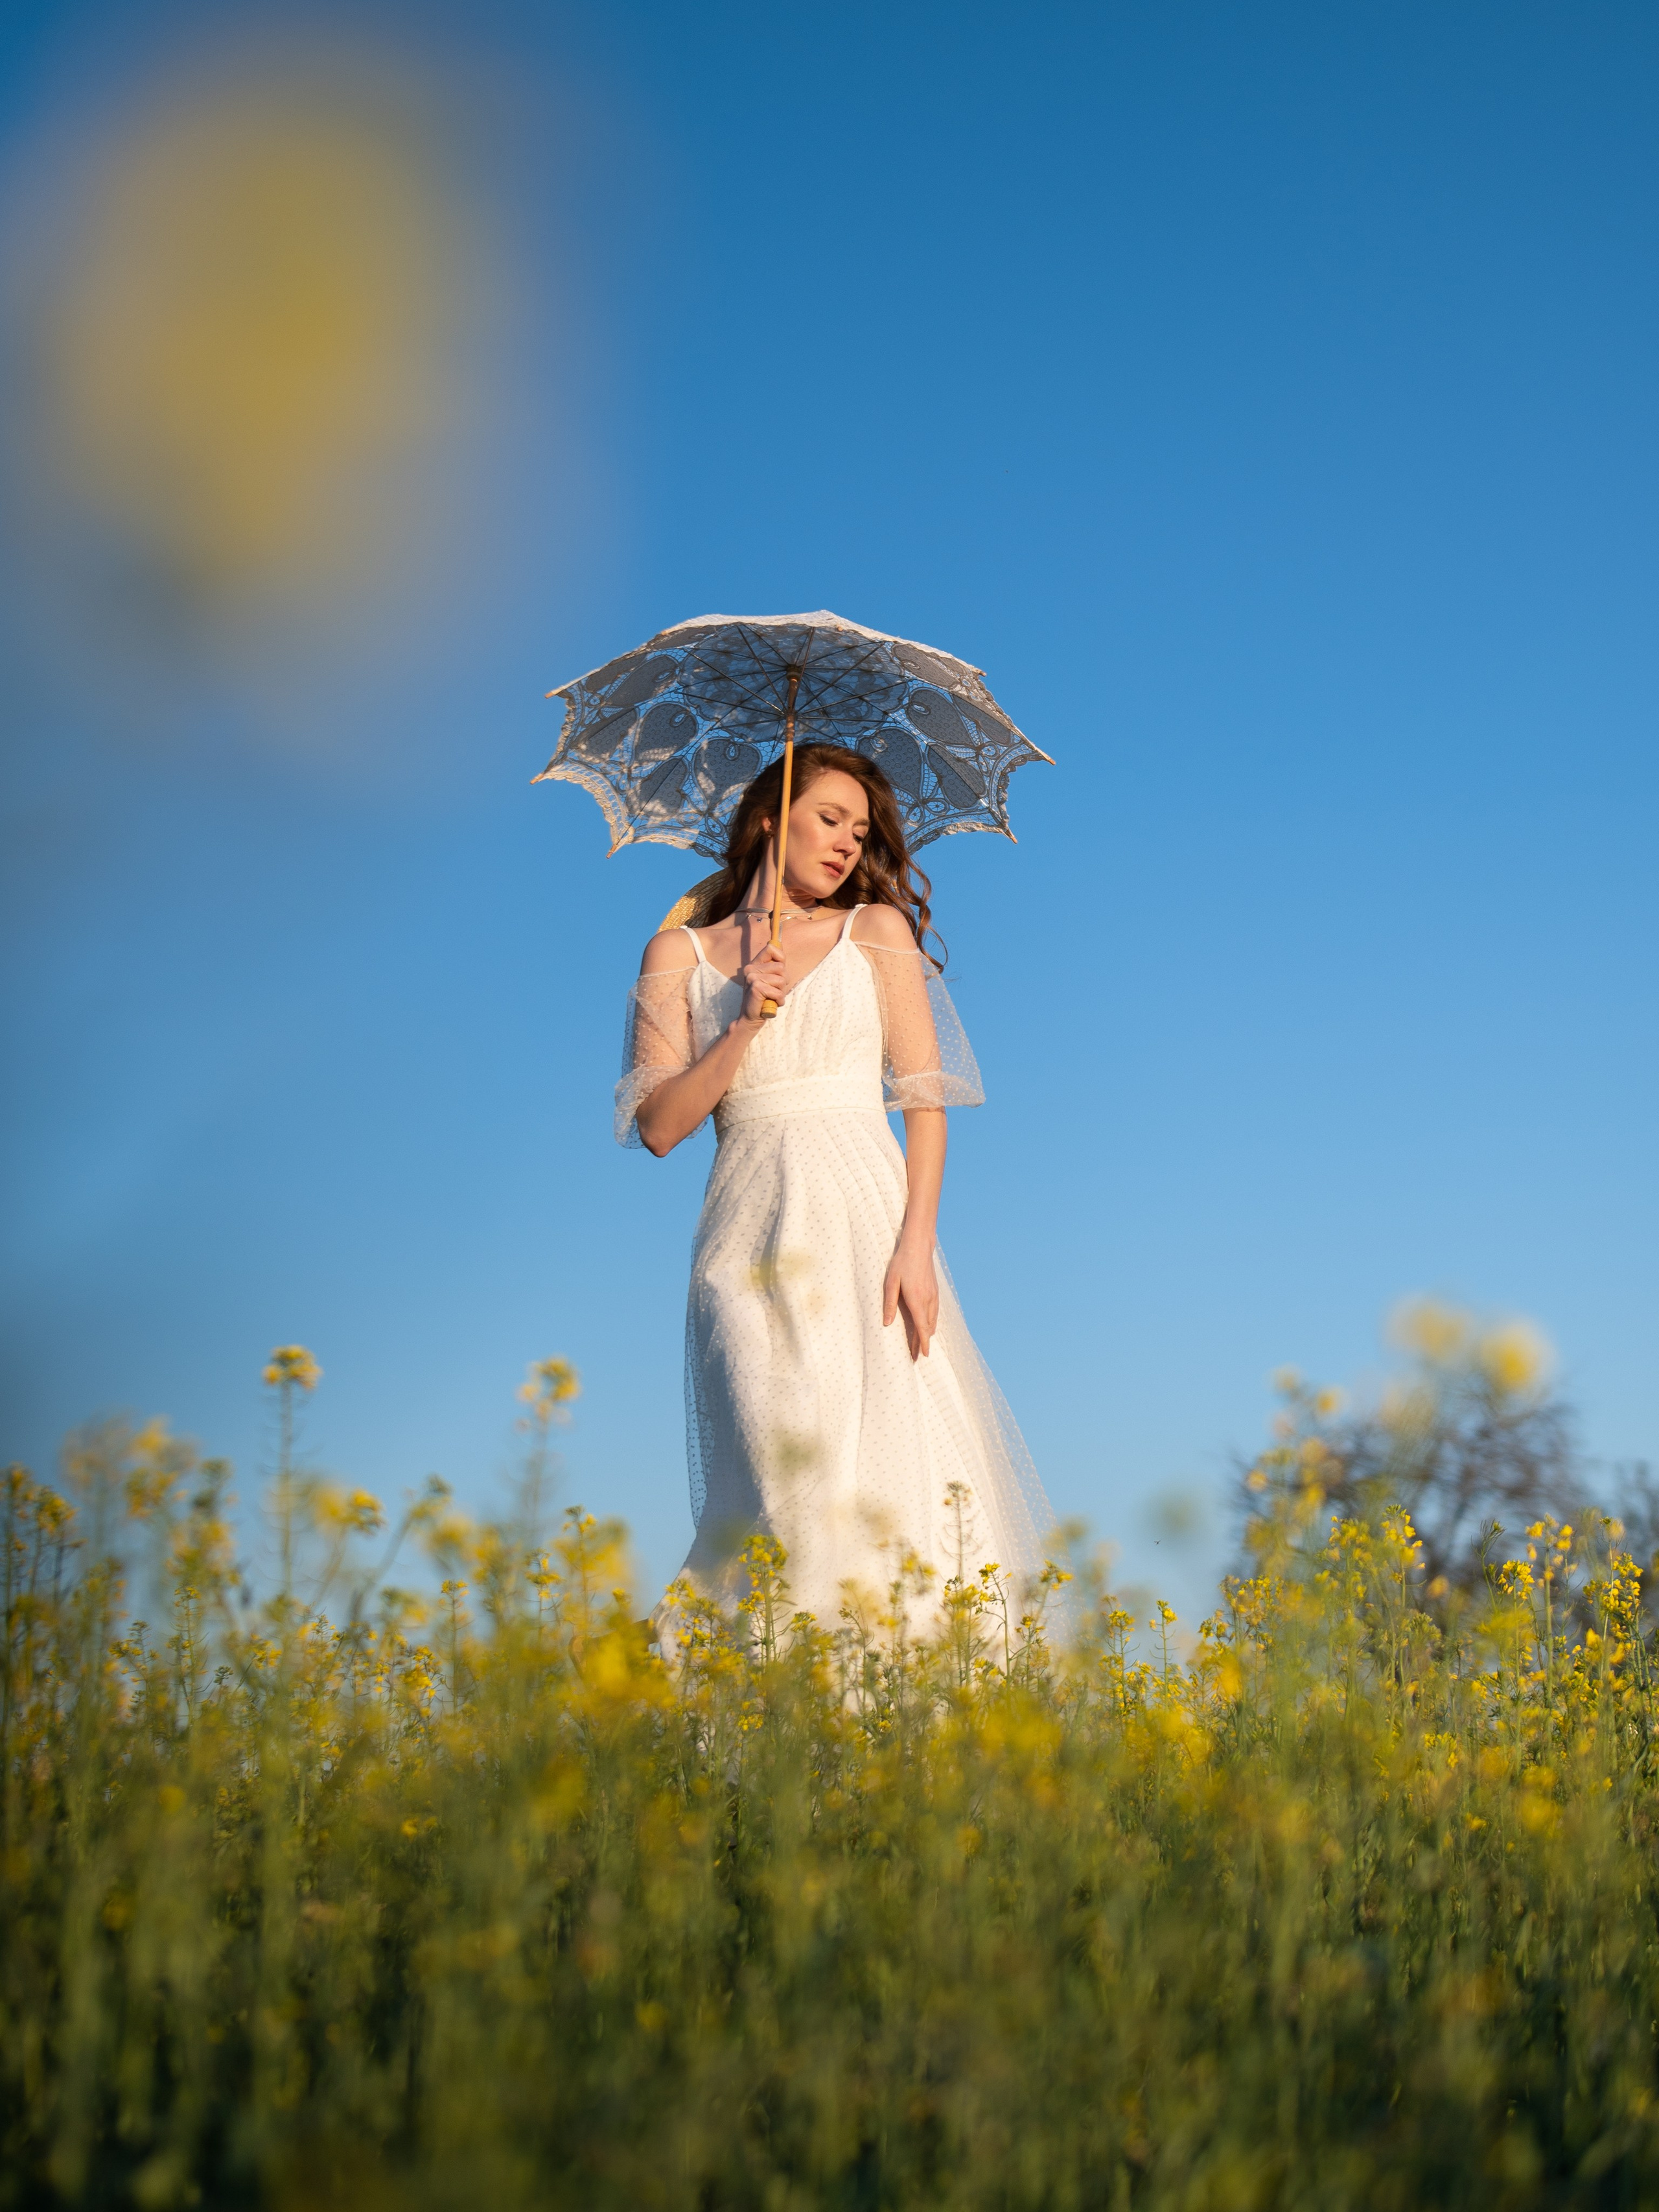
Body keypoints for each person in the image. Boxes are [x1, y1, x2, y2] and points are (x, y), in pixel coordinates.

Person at [618, 742, 1054, 1629]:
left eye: (861, 830)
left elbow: (926, 1106)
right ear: (771, 817)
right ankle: (770, 1706)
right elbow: (661, 1127)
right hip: (746, 1235)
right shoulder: (678, 953)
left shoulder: (875, 932)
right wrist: (742, 1026)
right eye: (829, 819)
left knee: (900, 1469)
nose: (849, 844)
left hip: (867, 1221)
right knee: (778, 1478)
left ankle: (900, 1711)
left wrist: (916, 1246)